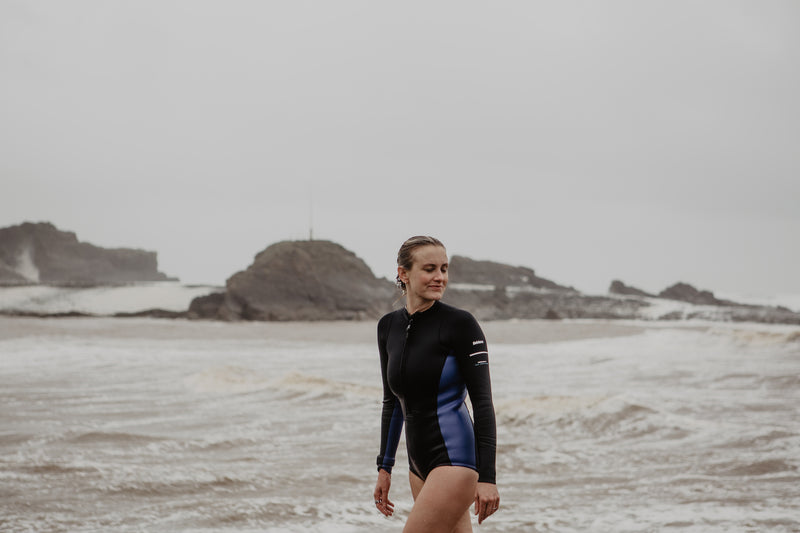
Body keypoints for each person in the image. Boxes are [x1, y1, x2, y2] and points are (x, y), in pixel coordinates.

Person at [373, 236, 500, 532]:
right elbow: (392, 402)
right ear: (403, 274)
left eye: (444, 268)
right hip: (418, 466)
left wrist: (488, 477)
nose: (439, 277)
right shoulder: (388, 327)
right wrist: (384, 467)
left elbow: (483, 404)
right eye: (429, 268)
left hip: (456, 461)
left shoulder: (460, 324)